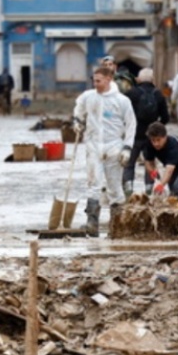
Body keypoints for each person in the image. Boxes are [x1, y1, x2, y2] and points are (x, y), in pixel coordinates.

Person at [72, 65, 136, 236]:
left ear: (109, 79)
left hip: (114, 147)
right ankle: (92, 225)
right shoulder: (88, 97)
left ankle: (117, 226)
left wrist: (127, 148)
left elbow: (131, 125)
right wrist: (77, 121)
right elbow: (79, 107)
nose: (95, 83)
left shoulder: (122, 101)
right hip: (93, 146)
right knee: (93, 185)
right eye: (94, 80)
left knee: (114, 188)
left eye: (98, 81)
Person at [124, 68, 170, 195]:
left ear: (138, 79)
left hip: (133, 134)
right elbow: (165, 117)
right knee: (149, 162)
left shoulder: (131, 93)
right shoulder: (158, 94)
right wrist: (156, 129)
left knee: (129, 162)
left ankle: (128, 189)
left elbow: (123, 114)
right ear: (152, 80)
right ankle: (149, 189)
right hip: (151, 136)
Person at [142, 122, 178, 200]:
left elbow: (169, 170)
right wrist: (152, 172)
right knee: (172, 188)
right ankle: (174, 205)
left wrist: (161, 185)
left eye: (159, 140)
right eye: (153, 140)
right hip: (174, 164)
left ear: (165, 137)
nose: (156, 144)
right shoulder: (149, 144)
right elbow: (148, 161)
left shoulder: (173, 146)